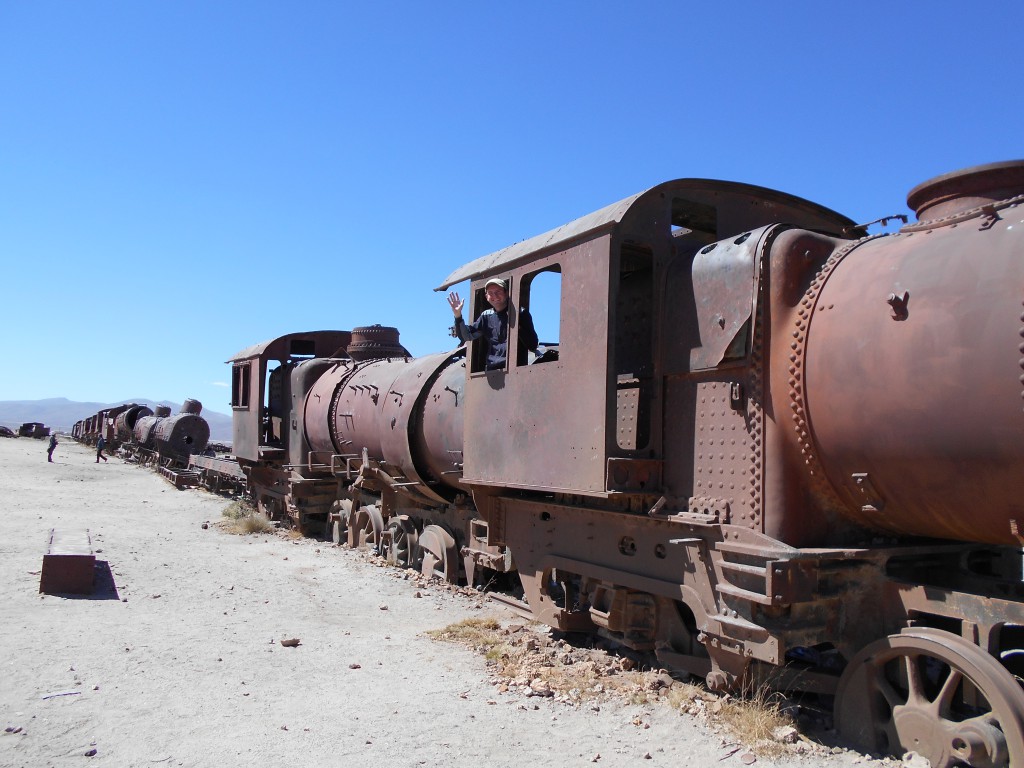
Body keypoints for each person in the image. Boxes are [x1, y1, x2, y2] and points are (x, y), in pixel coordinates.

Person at [447, 278, 538, 370]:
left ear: (506, 293)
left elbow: (533, 345)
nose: (495, 295)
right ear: (486, 297)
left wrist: (518, 327)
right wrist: (458, 315)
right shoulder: (486, 316)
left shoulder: (521, 313)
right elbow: (466, 336)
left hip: (515, 369)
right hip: (492, 370)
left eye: (498, 291)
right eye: (490, 293)